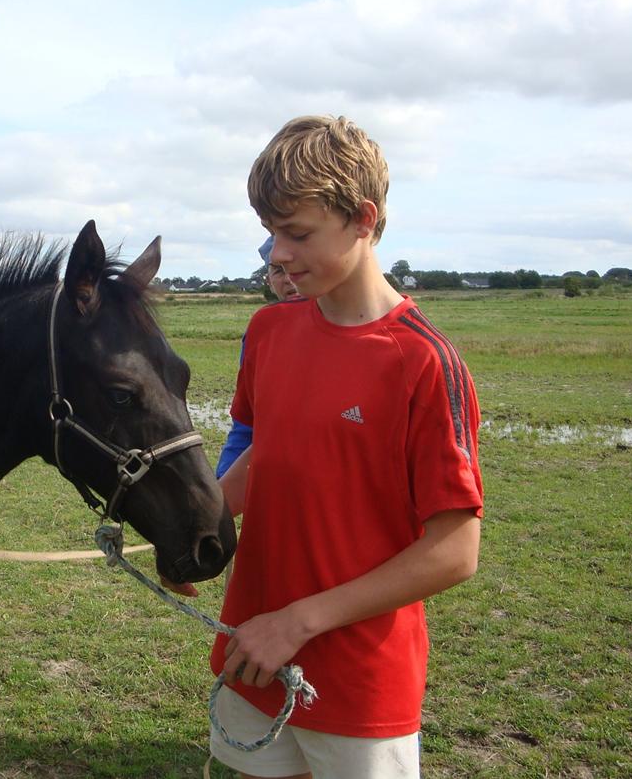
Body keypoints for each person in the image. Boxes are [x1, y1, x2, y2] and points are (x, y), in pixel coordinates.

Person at [209, 115, 483, 779]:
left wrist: (297, 622)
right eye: (271, 233)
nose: (277, 253)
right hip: (251, 661)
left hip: (358, 688)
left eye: (297, 233)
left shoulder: (423, 362)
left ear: (363, 219)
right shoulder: (270, 331)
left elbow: (454, 551)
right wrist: (200, 521)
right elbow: (268, 454)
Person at [216, 236, 300, 479]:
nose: (289, 280)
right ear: (269, 280)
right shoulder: (262, 331)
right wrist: (220, 483)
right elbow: (246, 422)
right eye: (278, 270)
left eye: (296, 267)